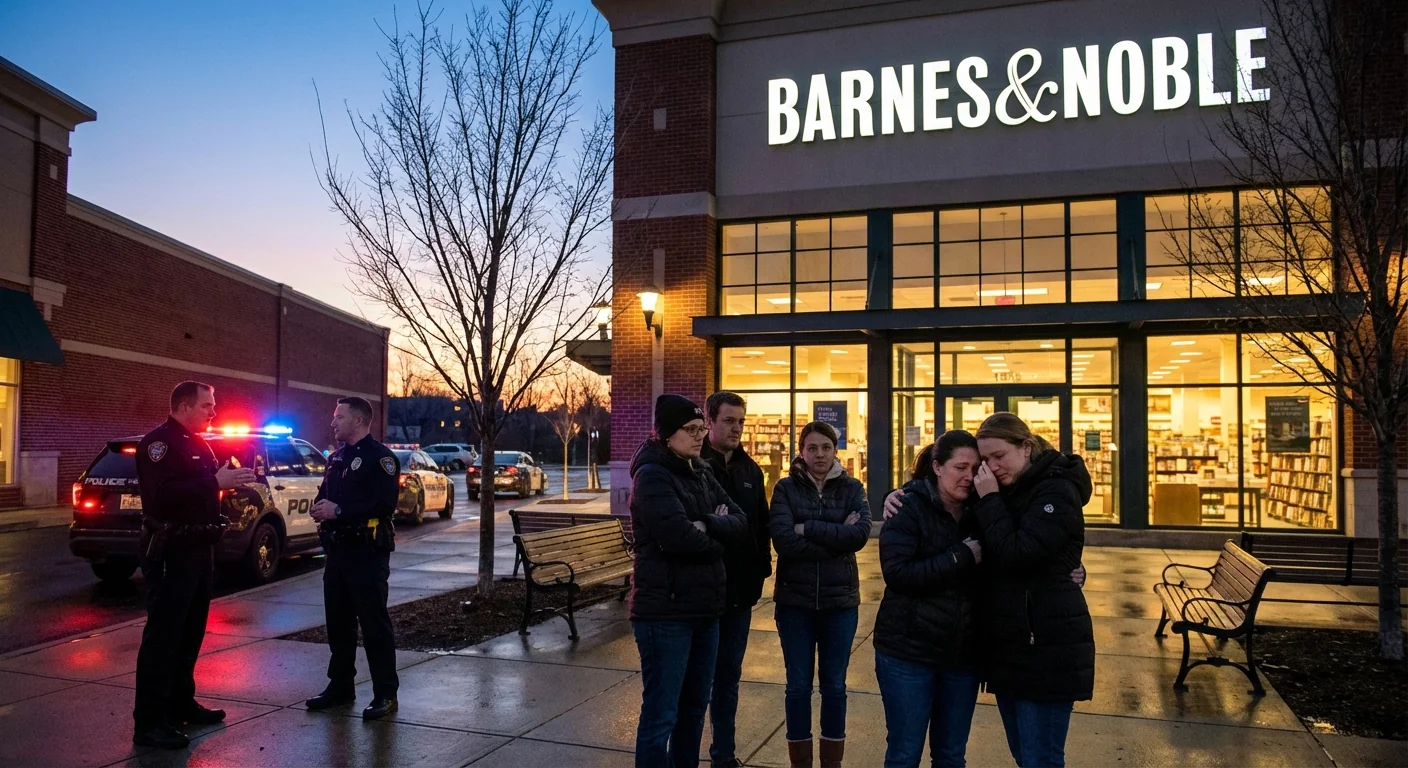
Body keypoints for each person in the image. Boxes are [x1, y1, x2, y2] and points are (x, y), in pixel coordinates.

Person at [133, 381, 257, 749]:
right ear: (184, 406)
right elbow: (163, 494)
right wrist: (213, 481)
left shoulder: (198, 443)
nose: (213, 412)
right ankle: (150, 722)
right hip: (172, 549)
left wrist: (227, 483)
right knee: (164, 637)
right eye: (207, 406)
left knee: (190, 633)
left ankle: (180, 704)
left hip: (200, 549)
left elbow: (202, 486)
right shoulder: (159, 444)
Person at [971, 412, 1095, 768]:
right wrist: (895, 495)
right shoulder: (1014, 489)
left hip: (1046, 645)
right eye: (986, 460)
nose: (992, 467)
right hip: (1014, 644)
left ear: (1026, 447)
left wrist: (990, 500)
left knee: (1040, 757)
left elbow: (1018, 554)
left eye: (999, 457)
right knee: (1025, 754)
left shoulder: (1056, 489)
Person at [630, 394, 748, 768]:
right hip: (665, 613)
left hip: (705, 610)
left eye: (701, 429)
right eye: (691, 430)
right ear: (667, 434)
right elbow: (678, 537)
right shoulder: (651, 476)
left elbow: (741, 521)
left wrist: (710, 523)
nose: (700, 436)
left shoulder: (701, 471)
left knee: (695, 707)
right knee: (662, 714)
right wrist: (718, 540)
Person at [874, 431, 984, 768]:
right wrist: (960, 557)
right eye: (960, 467)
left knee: (951, 754)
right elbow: (899, 575)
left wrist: (1070, 566)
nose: (968, 476)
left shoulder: (984, 510)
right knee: (905, 753)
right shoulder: (907, 506)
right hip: (908, 652)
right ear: (937, 467)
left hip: (961, 655)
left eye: (975, 468)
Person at [769, 421, 871, 768]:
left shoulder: (853, 487)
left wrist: (808, 528)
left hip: (839, 604)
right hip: (794, 604)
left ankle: (831, 763)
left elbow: (858, 535)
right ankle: (801, 763)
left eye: (826, 447)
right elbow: (783, 540)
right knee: (797, 686)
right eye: (812, 448)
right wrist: (834, 535)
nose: (819, 455)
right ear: (801, 451)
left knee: (835, 686)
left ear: (835, 450)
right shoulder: (784, 489)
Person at [305, 396, 402, 720]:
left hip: (367, 553)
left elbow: (384, 505)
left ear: (359, 421)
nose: (333, 423)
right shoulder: (335, 458)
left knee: (374, 626)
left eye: (339, 417)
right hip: (338, 553)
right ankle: (340, 686)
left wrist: (340, 511)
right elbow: (325, 494)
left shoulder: (381, 459)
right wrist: (320, 507)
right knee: (339, 624)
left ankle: (385, 694)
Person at [699, 391, 773, 768]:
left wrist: (762, 568)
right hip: (703, 593)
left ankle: (723, 755)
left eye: (741, 422)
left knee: (728, 678)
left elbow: (761, 525)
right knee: (696, 682)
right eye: (729, 421)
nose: (737, 428)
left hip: (740, 593)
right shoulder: (694, 466)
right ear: (710, 421)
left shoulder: (751, 470)